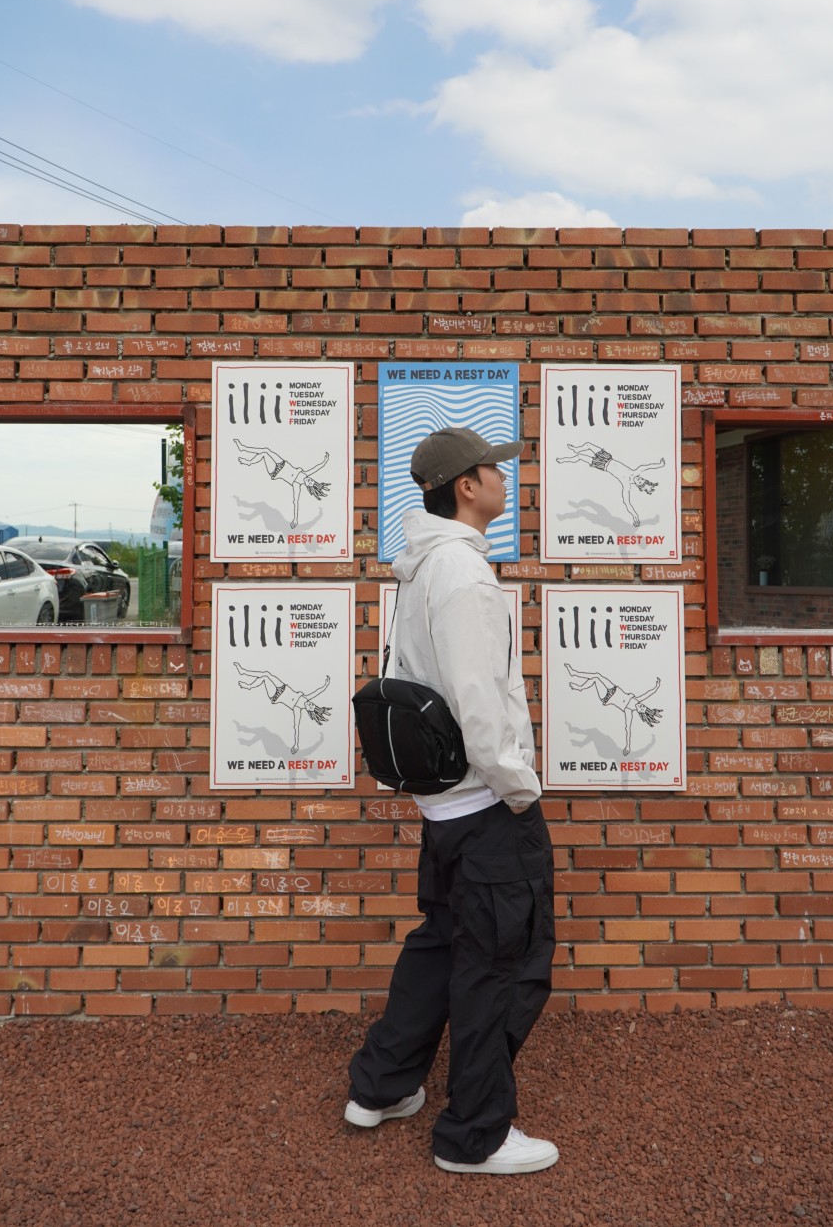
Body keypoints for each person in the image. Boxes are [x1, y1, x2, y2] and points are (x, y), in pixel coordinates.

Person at [346, 427, 557, 1175]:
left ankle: (381, 1087)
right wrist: (519, 790)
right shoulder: (463, 576)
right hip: (486, 809)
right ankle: (477, 1135)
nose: (505, 479)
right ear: (466, 486)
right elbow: (477, 699)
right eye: (494, 469)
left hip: (444, 811)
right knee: (500, 965)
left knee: (441, 948)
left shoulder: (421, 568)